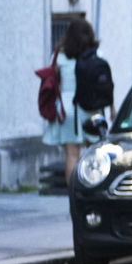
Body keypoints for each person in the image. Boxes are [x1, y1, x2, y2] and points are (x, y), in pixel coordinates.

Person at [42, 16, 110, 182]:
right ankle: (91, 192)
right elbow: (105, 84)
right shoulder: (97, 54)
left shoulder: (60, 56)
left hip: (68, 109)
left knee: (71, 155)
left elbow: (54, 81)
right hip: (91, 107)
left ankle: (74, 197)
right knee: (94, 153)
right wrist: (112, 108)